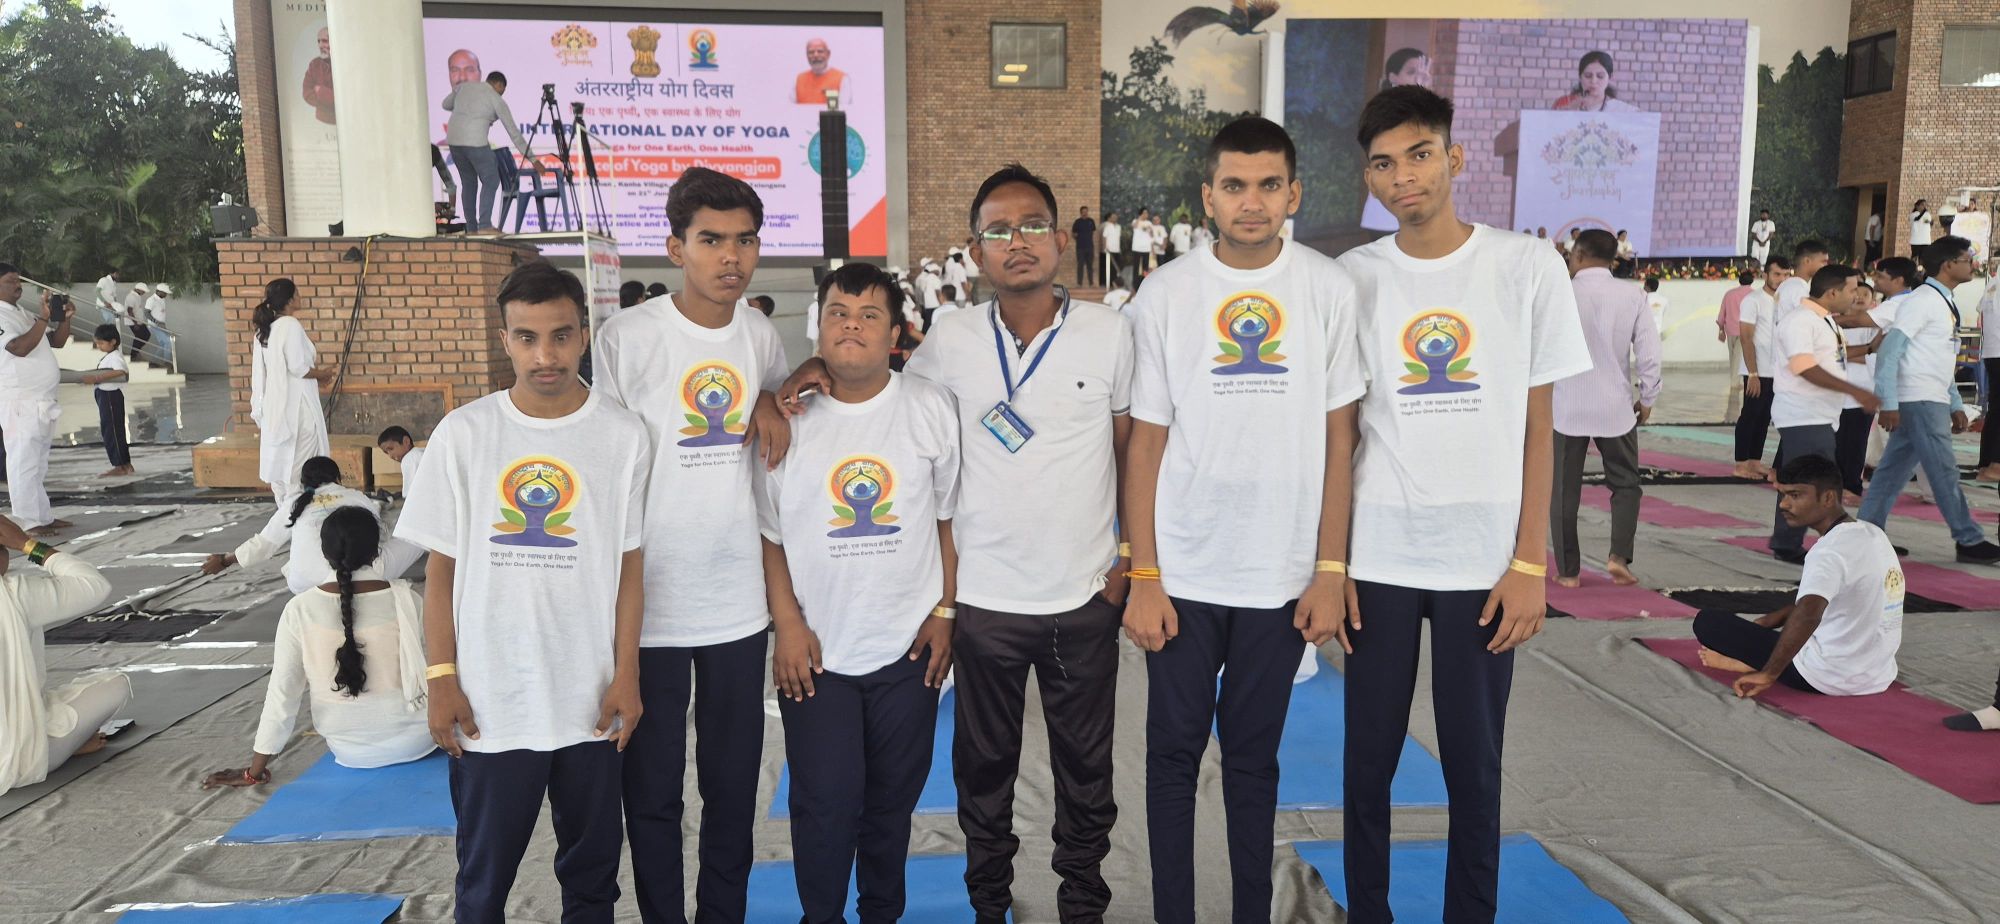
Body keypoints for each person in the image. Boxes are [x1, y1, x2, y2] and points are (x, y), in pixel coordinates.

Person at [790, 166, 1133, 923]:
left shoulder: (1111, 333)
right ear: (976, 252)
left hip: (1083, 597)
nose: (1019, 242)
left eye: (1033, 225)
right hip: (982, 602)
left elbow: (1130, 450)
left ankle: (1083, 906)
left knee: (1087, 776)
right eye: (999, 231)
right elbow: (878, 389)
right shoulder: (950, 338)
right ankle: (989, 907)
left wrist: (1130, 558)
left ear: (1061, 237)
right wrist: (814, 365)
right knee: (984, 775)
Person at [1338, 86, 1590, 924]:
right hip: (1378, 555)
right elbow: (1342, 433)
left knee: (1474, 768)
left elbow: (1540, 428)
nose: (1402, 177)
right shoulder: (1355, 278)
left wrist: (1529, 562)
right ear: (1369, 178)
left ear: (1454, 157)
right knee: (1366, 763)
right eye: (1383, 164)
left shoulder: (1525, 266)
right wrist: (1332, 563)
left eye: (1418, 155)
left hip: (1483, 563)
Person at [1123, 116, 1364, 924]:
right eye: (1234, 185)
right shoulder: (1166, 294)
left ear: (1294, 193)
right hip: (1184, 573)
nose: (1251, 201)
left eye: (1267, 185)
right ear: (1208, 197)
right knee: (1171, 758)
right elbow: (1145, 444)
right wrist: (1144, 574)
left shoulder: (1326, 289)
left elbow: (1340, 439)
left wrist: (1329, 570)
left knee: (1254, 763)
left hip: (1280, 575)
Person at [396, 260, 649, 923]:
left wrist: (626, 674)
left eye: (561, 336)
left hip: (590, 702)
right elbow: (439, 572)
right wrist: (442, 677)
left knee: (593, 882)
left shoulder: (623, 436)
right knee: (483, 884)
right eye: (528, 338)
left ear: (584, 335)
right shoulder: (465, 434)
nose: (545, 356)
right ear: (504, 339)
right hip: (491, 704)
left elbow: (629, 568)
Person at [590, 167, 789, 924]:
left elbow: (780, 402)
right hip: (650, 608)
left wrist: (768, 395)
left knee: (733, 791)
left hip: (736, 604)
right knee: (652, 795)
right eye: (711, 240)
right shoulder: (627, 338)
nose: (730, 257)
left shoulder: (760, 334)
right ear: (677, 248)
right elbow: (602, 468)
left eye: (744, 240)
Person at [760, 262, 959, 924]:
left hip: (908, 651)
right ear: (818, 327)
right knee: (823, 806)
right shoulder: (789, 420)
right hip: (817, 655)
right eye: (839, 313)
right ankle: (820, 916)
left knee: (890, 806)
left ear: (895, 334)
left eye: (870, 315)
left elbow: (948, 521)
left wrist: (946, 611)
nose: (852, 326)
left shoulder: (928, 408)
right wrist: (788, 625)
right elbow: (770, 535)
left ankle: (882, 913)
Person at [203, 507, 433, 787]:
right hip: (419, 740)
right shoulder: (409, 601)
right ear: (377, 551)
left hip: (348, 749)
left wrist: (254, 771)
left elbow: (283, 692)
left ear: (324, 553)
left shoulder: (299, 609)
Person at [1696, 455, 1903, 697]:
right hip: (1877, 674)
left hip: (1823, 676)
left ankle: (1749, 663)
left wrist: (1769, 674)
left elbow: (1809, 613)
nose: (1784, 504)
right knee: (1792, 616)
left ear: (1828, 498)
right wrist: (1771, 619)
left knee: (1708, 622)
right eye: (1783, 495)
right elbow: (1820, 600)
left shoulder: (1828, 552)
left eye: (1795, 495)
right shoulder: (1873, 534)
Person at [1860, 237, 2000, 563]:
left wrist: (1954, 402)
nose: (1972, 265)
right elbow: (1889, 352)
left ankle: (1866, 536)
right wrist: (1888, 402)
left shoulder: (1942, 301)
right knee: (1943, 471)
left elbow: (1939, 358)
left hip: (1928, 397)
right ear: (1948, 265)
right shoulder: (1922, 301)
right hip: (1919, 398)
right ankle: (1968, 539)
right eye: (1966, 259)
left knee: (1890, 473)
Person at [1552, 230, 1661, 588]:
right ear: (1613, 258)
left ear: (1579, 255)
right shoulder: (1632, 295)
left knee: (1563, 491)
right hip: (1615, 407)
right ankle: (1618, 558)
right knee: (1626, 484)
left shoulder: (1559, 293)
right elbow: (1649, 352)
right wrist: (1648, 397)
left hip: (1566, 406)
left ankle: (1568, 572)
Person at [0, 514, 123, 792]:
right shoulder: (15, 594)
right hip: (20, 759)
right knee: (115, 685)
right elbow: (94, 585)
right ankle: (68, 745)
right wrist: (28, 545)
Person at [1767, 265, 1878, 564]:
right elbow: (1804, 366)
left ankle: (1790, 541)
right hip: (1803, 414)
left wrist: (1869, 348)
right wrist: (1855, 390)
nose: (1856, 296)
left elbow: (1833, 357)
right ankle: (1791, 543)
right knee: (1810, 483)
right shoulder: (1800, 321)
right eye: (1852, 290)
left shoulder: (1824, 320)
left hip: (1820, 414)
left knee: (1811, 481)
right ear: (1832, 292)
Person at [202, 456, 423, 592]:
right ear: (338, 478)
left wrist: (225, 560)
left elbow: (263, 544)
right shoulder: (355, 496)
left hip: (305, 584)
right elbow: (377, 538)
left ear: (303, 483)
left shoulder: (294, 504)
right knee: (416, 534)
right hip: (361, 579)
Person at [0, 263, 71, 534]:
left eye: (19, 280)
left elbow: (56, 342)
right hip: (20, 400)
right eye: (11, 281)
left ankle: (42, 516)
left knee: (38, 462)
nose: (18, 285)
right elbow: (18, 348)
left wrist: (64, 318)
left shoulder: (22, 313)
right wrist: (42, 319)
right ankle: (27, 521)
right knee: (22, 462)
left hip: (41, 400)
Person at [249, 279, 333, 504]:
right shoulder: (290, 324)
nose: (301, 297)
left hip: (275, 407)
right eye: (298, 293)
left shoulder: (264, 330)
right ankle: (298, 510)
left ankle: (286, 511)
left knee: (282, 464)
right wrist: (322, 374)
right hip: (297, 408)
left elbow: (268, 372)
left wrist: (317, 378)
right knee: (301, 465)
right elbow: (298, 368)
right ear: (289, 300)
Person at [444, 71, 531, 235]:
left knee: (468, 183)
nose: (502, 94)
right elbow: (514, 133)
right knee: (491, 179)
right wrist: (532, 158)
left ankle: (471, 229)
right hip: (475, 142)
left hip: (454, 142)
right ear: (499, 85)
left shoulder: (464, 87)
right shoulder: (496, 99)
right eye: (502, 90)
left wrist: (468, 109)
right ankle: (484, 225)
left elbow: (446, 105)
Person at [1733, 258, 1792, 479]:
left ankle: (1754, 461)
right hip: (1757, 371)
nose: (1781, 279)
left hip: (1777, 371)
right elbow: (1746, 338)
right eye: (1777, 274)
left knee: (1765, 417)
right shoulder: (1753, 300)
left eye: (1786, 275)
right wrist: (1753, 374)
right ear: (1765, 275)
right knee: (1750, 416)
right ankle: (1741, 464)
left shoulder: (1787, 301)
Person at [1834, 282, 1885, 499]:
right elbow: (1830, 354)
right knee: (1837, 443)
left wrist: (1847, 354)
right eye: (1857, 292)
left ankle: (1853, 485)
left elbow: (1875, 358)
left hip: (1863, 392)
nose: (1860, 297)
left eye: (1866, 294)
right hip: (1837, 392)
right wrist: (1863, 352)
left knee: (1857, 443)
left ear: (1873, 301)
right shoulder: (1834, 324)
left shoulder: (1874, 328)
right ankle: (1836, 485)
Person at [84, 325, 132, 477]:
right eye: (97, 343)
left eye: (101, 343)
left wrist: (97, 378)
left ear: (113, 342)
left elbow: (121, 372)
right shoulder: (109, 356)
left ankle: (120, 466)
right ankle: (125, 464)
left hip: (110, 396)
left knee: (112, 431)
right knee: (113, 429)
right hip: (105, 395)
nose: (98, 346)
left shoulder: (115, 357)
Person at [1719, 270, 1756, 423]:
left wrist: (1721, 329)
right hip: (1744, 330)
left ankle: (1735, 380)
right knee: (1738, 358)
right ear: (1752, 281)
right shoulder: (1754, 295)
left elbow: (1722, 313)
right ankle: (1735, 383)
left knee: (1732, 356)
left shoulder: (1729, 294)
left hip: (1730, 329)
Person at [1553, 50, 1637, 112]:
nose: (1593, 81)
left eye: (1600, 76)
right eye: (1588, 76)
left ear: (1610, 77)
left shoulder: (1622, 110)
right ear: (1580, 76)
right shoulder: (1564, 103)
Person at [1775, 239, 1829, 326]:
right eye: (1823, 262)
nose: (1826, 266)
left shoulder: (1791, 284)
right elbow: (1819, 318)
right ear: (1807, 261)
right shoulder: (1798, 288)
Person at [1979, 262, 2000, 482]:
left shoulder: (1993, 283)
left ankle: (1986, 463)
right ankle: (1996, 464)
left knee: (1996, 408)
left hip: (1992, 352)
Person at [795, 38, 847, 105]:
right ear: (807, 55)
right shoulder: (799, 79)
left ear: (828, 54)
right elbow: (789, 108)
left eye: (820, 51)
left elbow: (844, 108)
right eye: (811, 52)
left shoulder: (842, 78)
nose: (815, 55)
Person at [303, 26, 334, 124]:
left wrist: (320, 91)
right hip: (320, 121)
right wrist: (330, 99)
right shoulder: (314, 64)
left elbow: (345, 98)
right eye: (318, 41)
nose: (320, 45)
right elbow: (306, 93)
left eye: (324, 41)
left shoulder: (343, 63)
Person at [122, 282, 151, 359]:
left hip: (138, 321)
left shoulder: (137, 296)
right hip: (133, 321)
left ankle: (135, 352)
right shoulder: (131, 296)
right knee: (141, 336)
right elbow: (129, 310)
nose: (144, 292)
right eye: (143, 291)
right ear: (138, 289)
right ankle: (134, 354)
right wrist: (135, 323)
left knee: (145, 335)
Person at [1071, 206, 1097, 286]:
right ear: (1081, 212)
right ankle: (1079, 283)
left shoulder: (1091, 221)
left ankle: (1091, 283)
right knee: (1080, 266)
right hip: (1080, 247)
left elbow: (1093, 232)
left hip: (1090, 247)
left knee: (1090, 266)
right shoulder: (1077, 222)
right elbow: (1073, 233)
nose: (1085, 213)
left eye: (1086, 211)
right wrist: (1078, 238)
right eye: (1083, 211)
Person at [146, 283, 171, 363]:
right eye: (164, 293)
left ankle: (154, 362)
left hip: (161, 326)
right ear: (158, 291)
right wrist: (156, 321)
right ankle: (167, 362)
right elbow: (146, 313)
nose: (166, 294)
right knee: (168, 342)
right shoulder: (151, 300)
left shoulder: (162, 300)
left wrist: (163, 325)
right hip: (154, 326)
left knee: (163, 344)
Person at [1129, 208, 1156, 279]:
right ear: (1140, 214)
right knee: (1136, 266)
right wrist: (1140, 218)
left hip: (1146, 248)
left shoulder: (1149, 223)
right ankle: (1135, 283)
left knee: (1145, 267)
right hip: (1137, 248)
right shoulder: (1135, 221)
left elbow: (1152, 236)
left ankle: (1144, 281)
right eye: (1144, 213)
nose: (1146, 214)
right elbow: (1134, 226)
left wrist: (1151, 230)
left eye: (1147, 213)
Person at [1100, 211, 1123, 288]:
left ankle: (1115, 283)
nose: (1114, 218)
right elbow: (1104, 237)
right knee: (1109, 267)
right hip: (1109, 250)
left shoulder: (1119, 227)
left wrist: (1119, 248)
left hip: (1117, 250)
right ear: (1110, 218)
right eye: (1113, 217)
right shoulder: (1107, 226)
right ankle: (1108, 283)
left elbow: (1118, 238)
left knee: (1116, 268)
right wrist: (1105, 248)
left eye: (1115, 217)